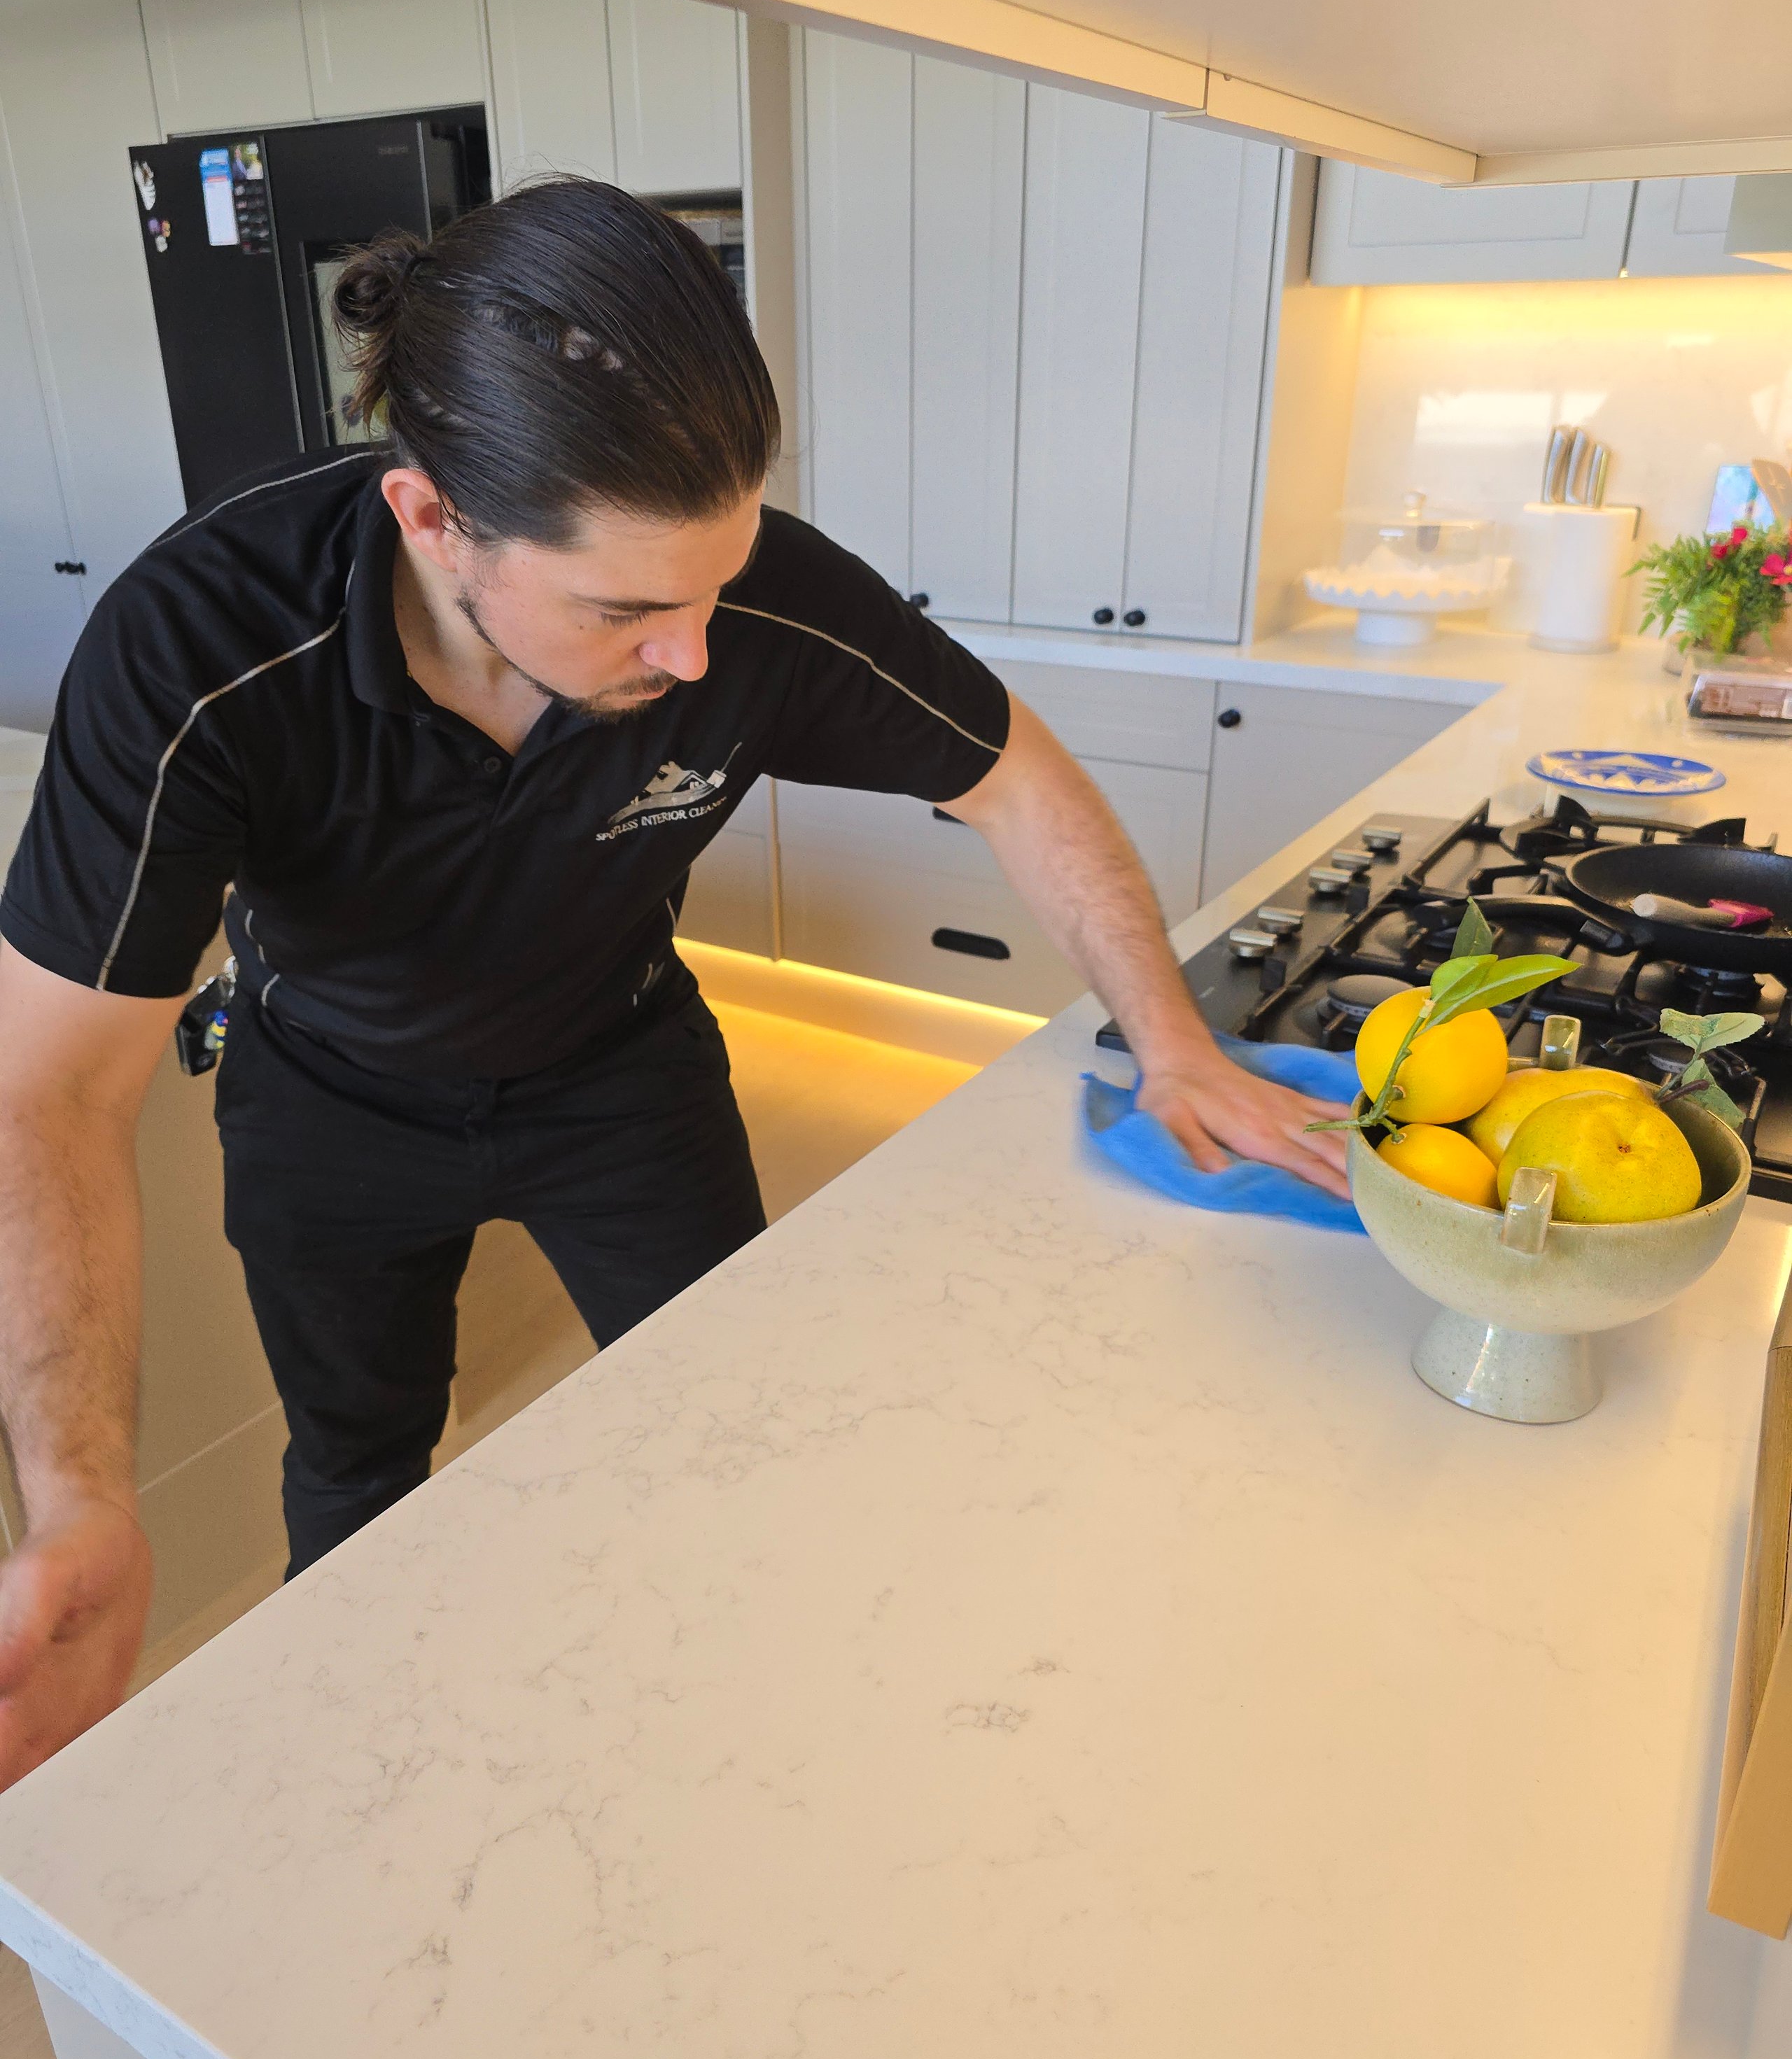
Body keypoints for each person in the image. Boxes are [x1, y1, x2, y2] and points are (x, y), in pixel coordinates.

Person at [0, 178, 1347, 1789]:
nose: (700, 655)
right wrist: (79, 1492)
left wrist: (1175, 1042)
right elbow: (54, 1089)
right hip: (330, 1102)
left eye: (714, 587)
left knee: (732, 1421)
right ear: (432, 520)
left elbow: (1012, 775)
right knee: (357, 1476)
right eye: (629, 609)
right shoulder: (206, 643)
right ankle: (358, 1790)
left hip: (619, 1075)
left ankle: (740, 1746)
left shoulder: (747, 600)